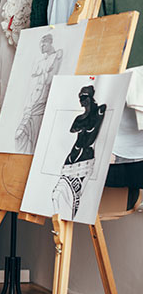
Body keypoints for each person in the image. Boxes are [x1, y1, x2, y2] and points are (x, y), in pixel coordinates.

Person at [52, 85, 106, 219]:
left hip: (84, 160)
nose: (82, 100)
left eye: (84, 96)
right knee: (56, 194)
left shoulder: (99, 112)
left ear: (91, 97)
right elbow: (72, 131)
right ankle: (59, 222)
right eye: (80, 97)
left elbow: (91, 135)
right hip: (72, 157)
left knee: (71, 198)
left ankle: (65, 221)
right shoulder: (79, 119)